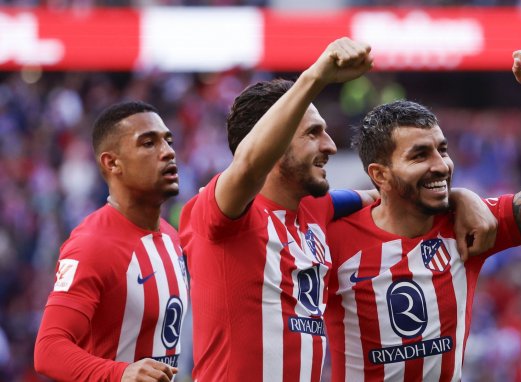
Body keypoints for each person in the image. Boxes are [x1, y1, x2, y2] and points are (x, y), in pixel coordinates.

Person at [179, 38, 496, 382]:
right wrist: (316, 76)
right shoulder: (217, 212)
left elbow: (390, 193)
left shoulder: (317, 210)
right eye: (313, 133)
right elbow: (248, 166)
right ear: (272, 140)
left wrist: (463, 196)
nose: (329, 145)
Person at [324, 45, 521, 381]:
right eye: (419, 155)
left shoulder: (469, 226)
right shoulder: (329, 239)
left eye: (442, 149)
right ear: (380, 174)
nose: (441, 165)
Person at [34, 101, 189, 382]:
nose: (168, 152)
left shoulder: (171, 238)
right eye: (148, 143)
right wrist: (120, 373)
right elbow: (48, 349)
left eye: (168, 141)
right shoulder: (92, 244)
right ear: (112, 162)